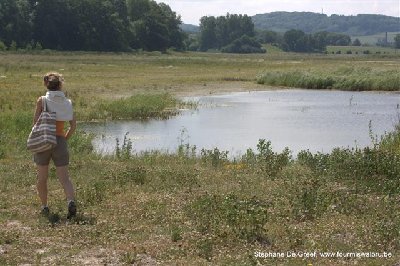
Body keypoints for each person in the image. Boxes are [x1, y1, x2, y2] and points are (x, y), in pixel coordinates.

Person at [32, 72, 77, 219]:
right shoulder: (67, 102)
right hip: (60, 139)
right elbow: (73, 125)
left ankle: (44, 206)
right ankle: (70, 201)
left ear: (46, 84)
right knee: (65, 178)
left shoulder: (42, 100)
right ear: (60, 85)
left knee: (42, 177)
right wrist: (64, 138)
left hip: (44, 139)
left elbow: (35, 123)